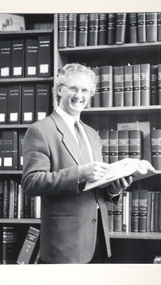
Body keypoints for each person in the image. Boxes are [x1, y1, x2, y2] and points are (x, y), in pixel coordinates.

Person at [22, 63, 132, 264]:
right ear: (58, 90)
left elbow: (94, 187)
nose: (78, 95)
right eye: (73, 88)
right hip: (63, 244)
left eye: (85, 90)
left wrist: (113, 190)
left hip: (98, 239)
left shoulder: (92, 134)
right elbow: (30, 183)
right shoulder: (41, 130)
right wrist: (79, 173)